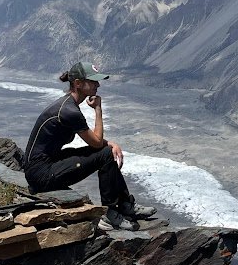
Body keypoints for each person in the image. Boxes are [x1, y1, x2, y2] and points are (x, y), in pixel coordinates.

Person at [23, 61, 153, 232]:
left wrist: (109, 143)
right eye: (93, 81)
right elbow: (97, 142)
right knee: (106, 154)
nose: (98, 85)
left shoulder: (67, 105)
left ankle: (124, 204)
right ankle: (110, 212)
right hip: (41, 175)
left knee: (105, 151)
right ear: (78, 83)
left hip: (44, 166)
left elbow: (95, 141)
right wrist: (98, 109)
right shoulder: (69, 111)